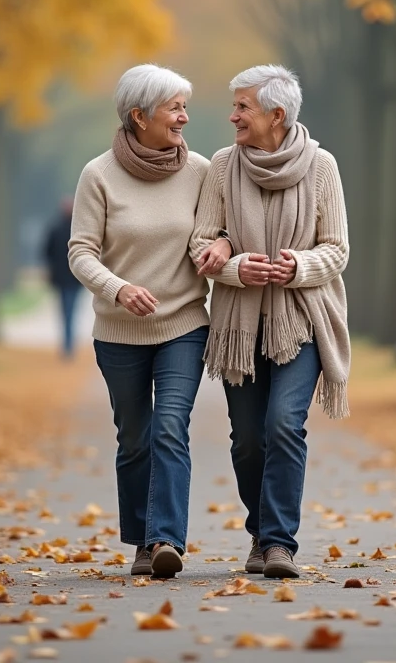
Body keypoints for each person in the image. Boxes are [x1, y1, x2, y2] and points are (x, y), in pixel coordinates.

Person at [69, 63, 231, 579]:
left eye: (185, 106)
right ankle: (141, 539)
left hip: (183, 322)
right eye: (174, 107)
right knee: (134, 435)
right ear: (139, 116)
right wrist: (117, 287)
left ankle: (166, 539)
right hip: (118, 333)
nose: (184, 116)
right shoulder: (98, 175)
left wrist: (223, 245)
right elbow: (81, 252)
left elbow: (216, 232)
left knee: (169, 426)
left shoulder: (202, 171)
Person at [191, 64, 351, 579]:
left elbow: (337, 249)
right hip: (240, 326)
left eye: (243, 106)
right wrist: (237, 266)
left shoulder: (322, 167)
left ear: (276, 115)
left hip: (301, 321)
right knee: (248, 440)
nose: (232, 115)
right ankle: (261, 530)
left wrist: (297, 267)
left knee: (284, 425)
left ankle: (279, 543)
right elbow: (202, 240)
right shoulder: (221, 166)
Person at [44, 197, 83, 359]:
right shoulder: (77, 231)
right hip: (74, 278)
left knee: (65, 313)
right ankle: (68, 346)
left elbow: (46, 253)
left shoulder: (55, 229)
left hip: (63, 279)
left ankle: (67, 346)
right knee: (70, 312)